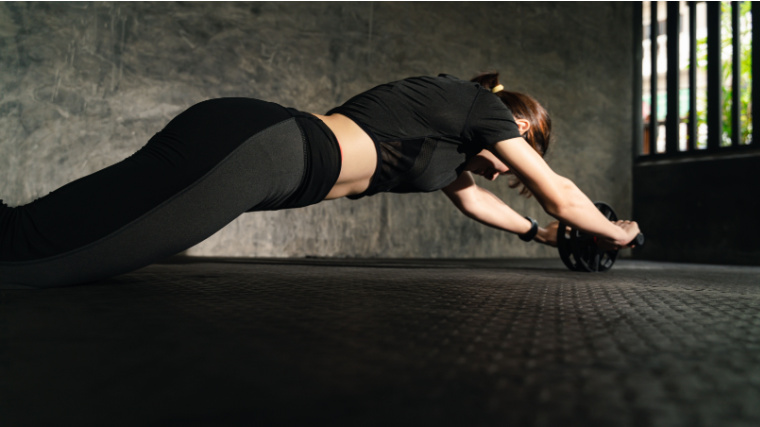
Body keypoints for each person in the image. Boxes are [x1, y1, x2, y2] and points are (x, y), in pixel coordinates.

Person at [0, 73, 641, 289]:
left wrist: (540, 233)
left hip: (251, 150)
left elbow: (480, 207)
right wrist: (616, 231)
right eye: (517, 153)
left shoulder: (449, 159)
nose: (504, 171)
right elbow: (559, 189)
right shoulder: (476, 109)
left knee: (41, 232)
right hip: (258, 152)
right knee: (49, 258)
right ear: (514, 125)